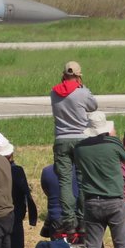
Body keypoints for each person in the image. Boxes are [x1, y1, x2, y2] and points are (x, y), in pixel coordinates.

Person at [73, 112, 125, 248]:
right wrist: (115, 139)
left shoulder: (80, 148)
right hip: (114, 200)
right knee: (122, 246)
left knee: (92, 247)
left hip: (92, 201)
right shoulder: (113, 144)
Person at [50, 60, 98, 233]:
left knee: (64, 181)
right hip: (81, 138)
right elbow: (94, 106)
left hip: (61, 138)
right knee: (82, 179)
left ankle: (69, 220)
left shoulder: (54, 92)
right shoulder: (82, 92)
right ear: (78, 76)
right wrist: (83, 88)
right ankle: (83, 218)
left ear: (63, 75)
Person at [5, 142, 38, 248]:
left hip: (1, 213)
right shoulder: (17, 170)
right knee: (17, 244)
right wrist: (32, 215)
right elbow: (26, 192)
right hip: (16, 211)